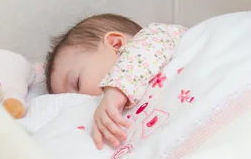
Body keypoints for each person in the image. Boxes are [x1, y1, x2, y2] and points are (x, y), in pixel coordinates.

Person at [45, 14, 186, 149]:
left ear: (116, 44)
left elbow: (149, 48)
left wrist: (117, 87)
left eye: (77, 83)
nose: (78, 99)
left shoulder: (155, 36)